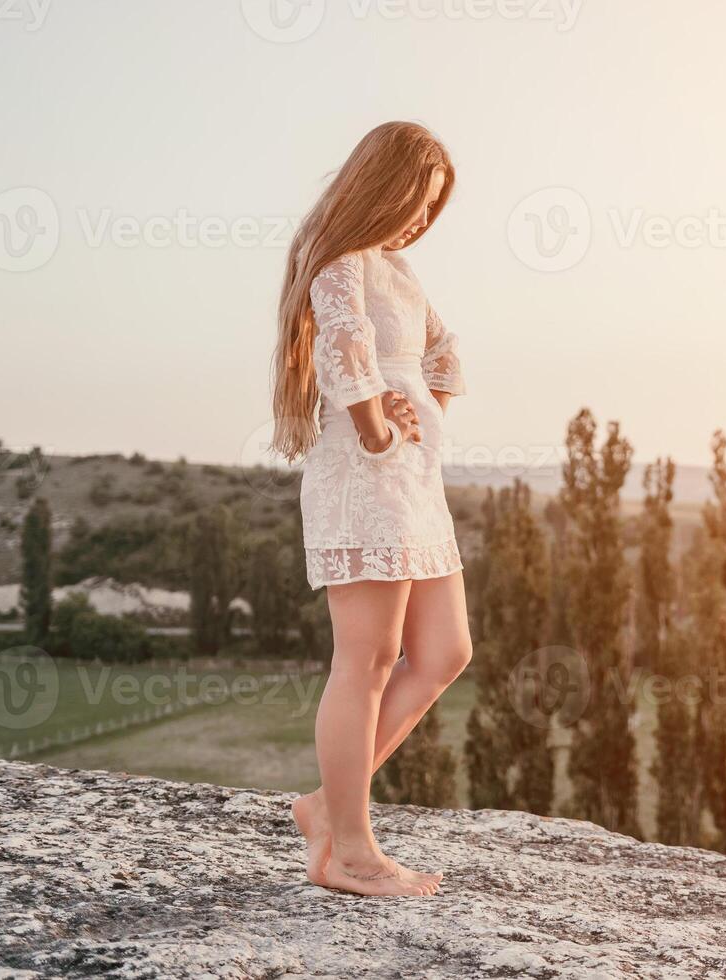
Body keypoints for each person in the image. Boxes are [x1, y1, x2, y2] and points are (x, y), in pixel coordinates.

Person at [270, 121, 472, 897]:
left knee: (446, 650)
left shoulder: (399, 270)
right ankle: (348, 848)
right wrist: (380, 431)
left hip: (413, 482)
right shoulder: (336, 255)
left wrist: (427, 410)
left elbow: (445, 350)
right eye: (416, 202)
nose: (421, 220)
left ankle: (326, 805)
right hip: (363, 475)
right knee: (369, 657)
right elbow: (344, 347)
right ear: (380, 186)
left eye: (433, 209)